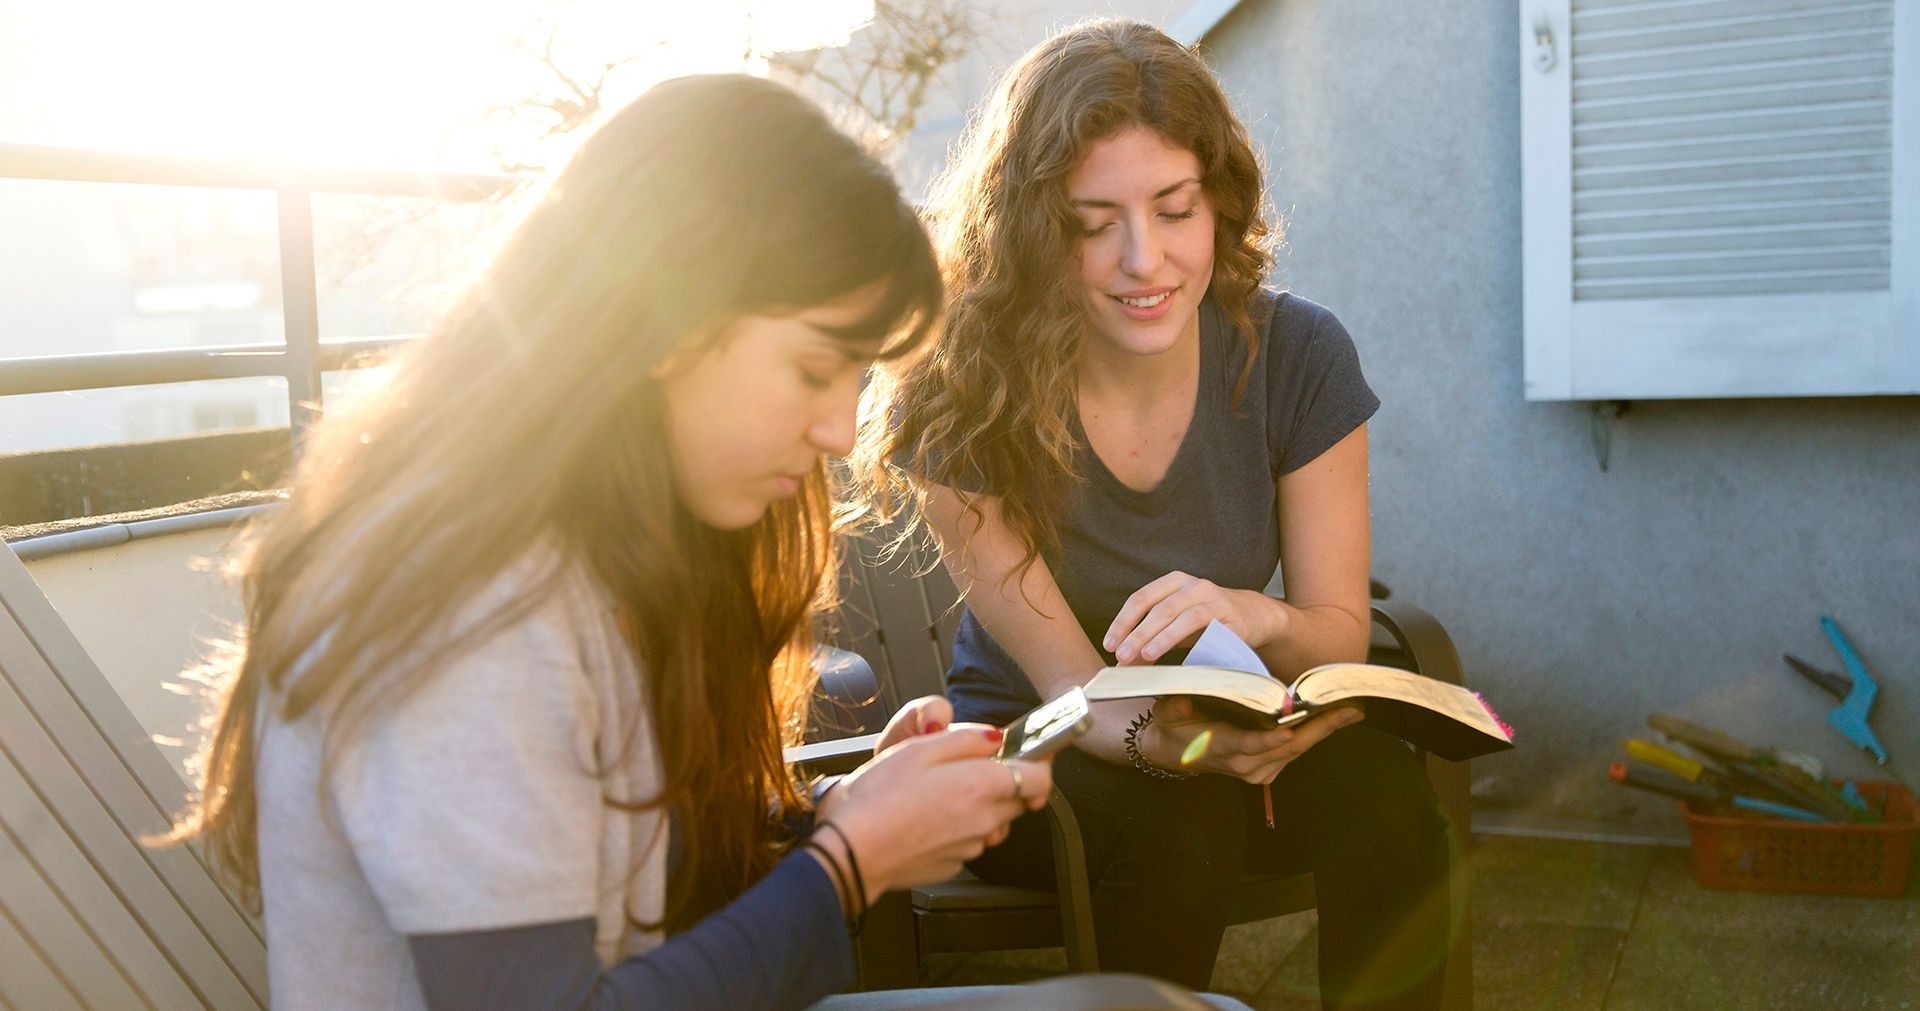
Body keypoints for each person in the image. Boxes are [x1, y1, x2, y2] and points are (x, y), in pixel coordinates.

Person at [163, 74, 1057, 1011]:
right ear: (669, 322)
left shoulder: (600, 551)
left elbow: (633, 893)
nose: (841, 428)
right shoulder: (467, 607)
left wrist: (845, 816)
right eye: (813, 368)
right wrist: (845, 865)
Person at [854, 20, 1451, 1010]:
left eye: (1174, 209)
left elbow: (1335, 632)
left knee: (1383, 794)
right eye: (1097, 222)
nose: (1146, 259)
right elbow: (1072, 688)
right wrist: (1189, 750)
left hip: (1218, 732)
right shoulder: (962, 386)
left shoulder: (1297, 357)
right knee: (1177, 823)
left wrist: (1258, 631)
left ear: (1218, 202)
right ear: (1035, 226)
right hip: (1038, 754)